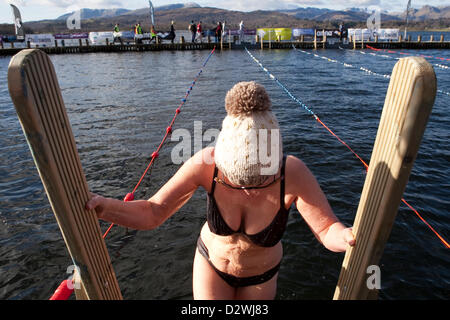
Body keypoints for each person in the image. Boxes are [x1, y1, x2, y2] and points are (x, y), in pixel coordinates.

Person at [86, 81, 355, 300]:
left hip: (262, 276)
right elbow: (153, 212)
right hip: (212, 265)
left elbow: (325, 229)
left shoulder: (292, 173)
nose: (247, 190)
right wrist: (105, 207)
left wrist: (347, 237)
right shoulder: (207, 164)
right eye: (236, 180)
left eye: (259, 181)